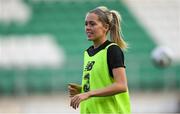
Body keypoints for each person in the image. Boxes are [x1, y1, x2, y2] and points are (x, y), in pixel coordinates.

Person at [68, 6, 131, 114]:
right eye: (86, 24)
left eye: (92, 24)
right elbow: (101, 83)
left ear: (106, 27)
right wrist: (83, 89)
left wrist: (88, 94)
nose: (87, 27)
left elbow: (121, 85)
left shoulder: (112, 50)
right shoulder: (87, 53)